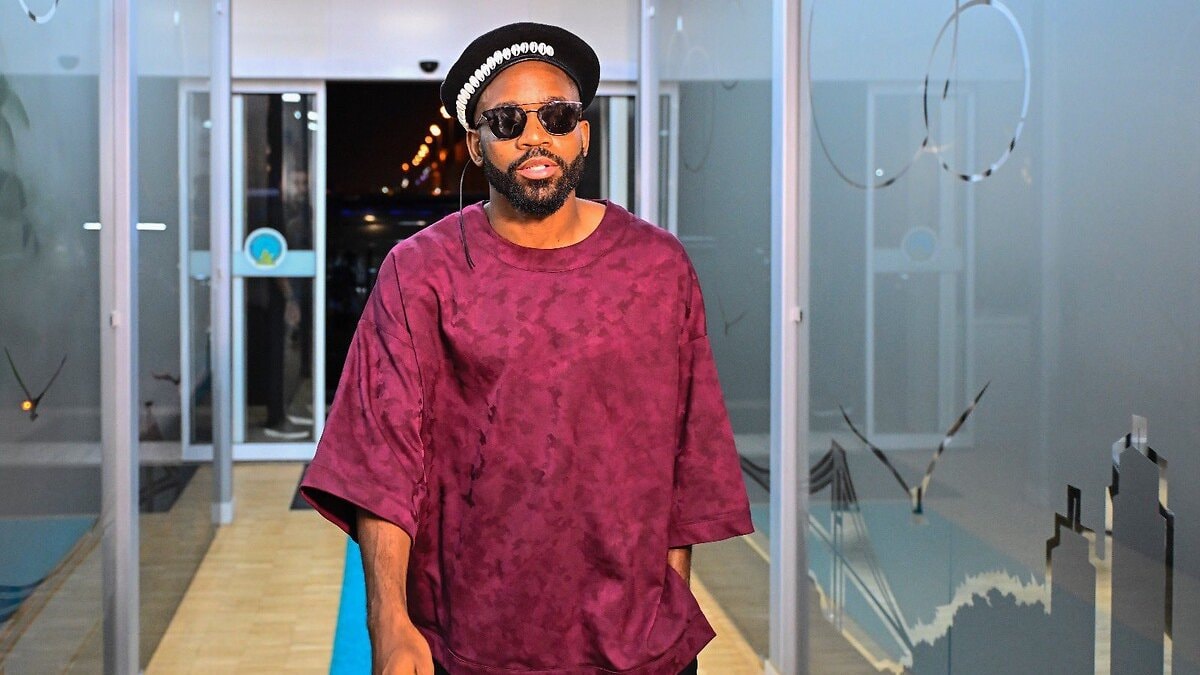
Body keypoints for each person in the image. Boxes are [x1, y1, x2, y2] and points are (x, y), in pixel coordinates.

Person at [301, 22, 752, 675]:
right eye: (508, 120)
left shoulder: (657, 267)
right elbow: (383, 458)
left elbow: (689, 449)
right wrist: (389, 622)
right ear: (476, 145)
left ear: (583, 134)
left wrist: (665, 606)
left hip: (637, 647)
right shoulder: (421, 272)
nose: (535, 136)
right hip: (471, 640)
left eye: (558, 116)